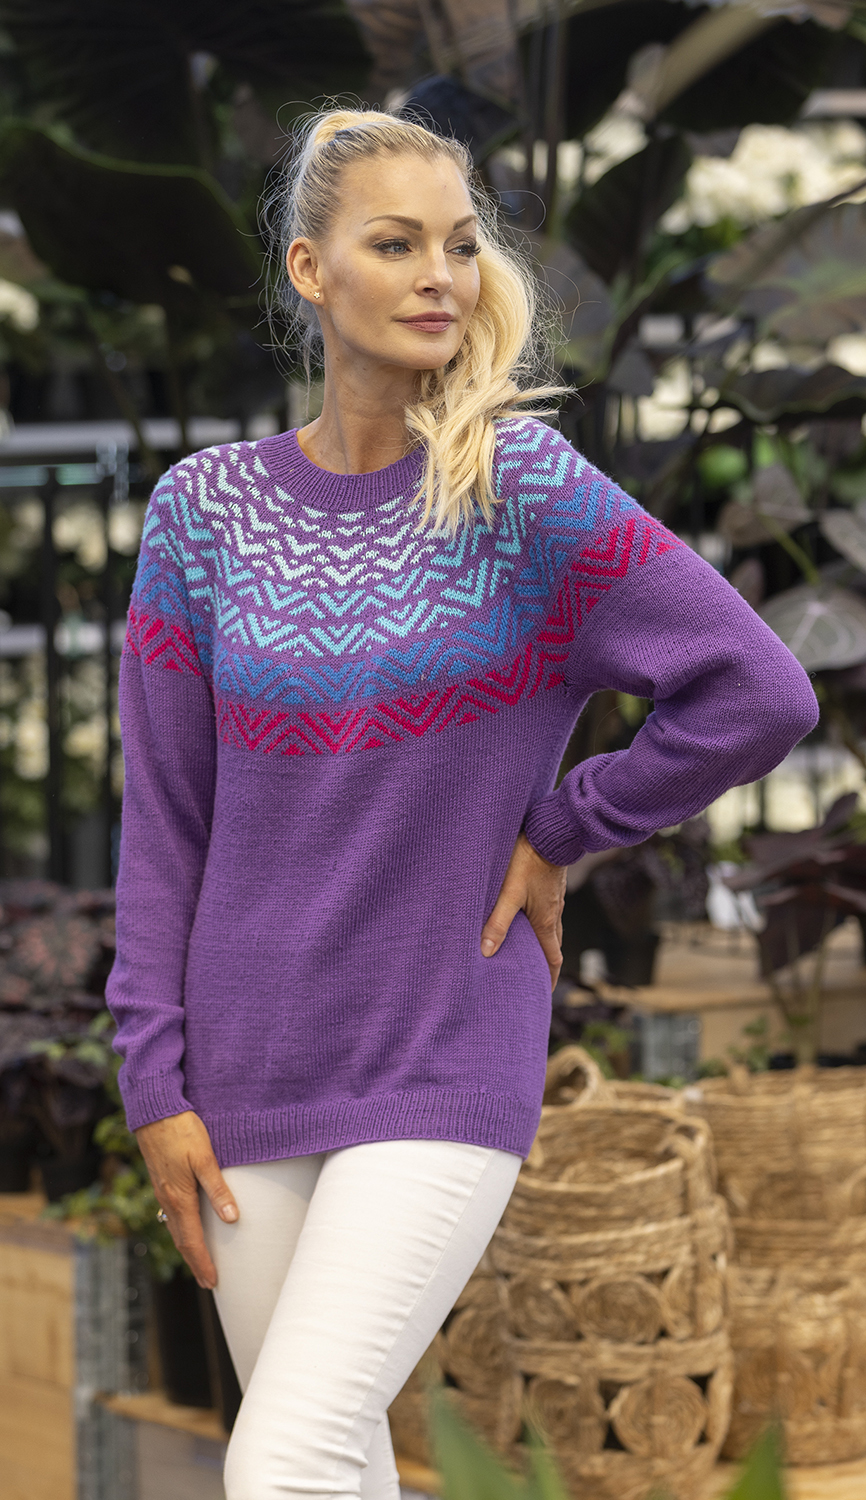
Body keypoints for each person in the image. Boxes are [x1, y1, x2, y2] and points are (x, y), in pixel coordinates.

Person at [105, 107, 818, 1500]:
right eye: (394, 244)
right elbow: (166, 820)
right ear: (310, 271)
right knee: (336, 1465)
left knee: (283, 1459)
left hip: (440, 1041)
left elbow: (755, 692)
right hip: (245, 1066)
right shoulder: (203, 514)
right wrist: (152, 1079)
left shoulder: (521, 492)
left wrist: (565, 825)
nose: (440, 274)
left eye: (457, 243)